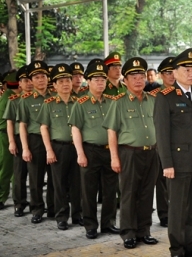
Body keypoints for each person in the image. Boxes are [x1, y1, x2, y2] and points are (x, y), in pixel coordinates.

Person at [154, 48, 192, 257]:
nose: (191, 73)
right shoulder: (166, 97)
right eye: (186, 69)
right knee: (178, 208)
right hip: (178, 163)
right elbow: (162, 134)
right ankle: (177, 249)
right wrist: (167, 164)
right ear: (175, 72)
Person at [102, 57, 159, 249]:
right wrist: (114, 157)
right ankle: (128, 233)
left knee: (146, 193)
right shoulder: (118, 102)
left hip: (151, 153)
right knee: (128, 194)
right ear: (125, 80)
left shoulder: (153, 100)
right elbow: (111, 131)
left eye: (141, 75)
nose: (138, 80)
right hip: (129, 153)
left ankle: (144, 231)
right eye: (133, 76)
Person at [68, 61, 120, 239]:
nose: (100, 83)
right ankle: (90, 225)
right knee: (89, 190)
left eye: (103, 79)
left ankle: (108, 223)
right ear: (88, 81)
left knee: (110, 190)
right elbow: (75, 129)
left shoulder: (113, 102)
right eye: (96, 79)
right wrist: (80, 153)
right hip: (90, 151)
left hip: (110, 151)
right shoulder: (81, 103)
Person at [37, 63, 82, 230]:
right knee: (59, 184)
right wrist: (49, 150)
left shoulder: (79, 102)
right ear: (54, 85)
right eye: (61, 81)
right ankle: (62, 216)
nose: (65, 84)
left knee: (78, 183)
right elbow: (43, 127)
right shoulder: (48, 104)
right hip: (58, 148)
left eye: (68, 80)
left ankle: (78, 215)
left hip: (77, 148)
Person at [17, 60, 55, 224]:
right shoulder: (25, 100)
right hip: (35, 140)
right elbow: (23, 126)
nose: (41, 80)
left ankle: (54, 208)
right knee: (36, 178)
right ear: (31, 81)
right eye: (37, 77)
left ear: (48, 79)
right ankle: (37, 209)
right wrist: (25, 148)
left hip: (54, 140)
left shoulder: (55, 97)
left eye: (43, 76)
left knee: (55, 177)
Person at [2, 66, 32, 216]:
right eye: (25, 81)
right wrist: (12, 142)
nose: (29, 84)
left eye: (30, 80)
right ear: (19, 83)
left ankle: (36, 203)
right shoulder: (14, 101)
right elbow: (10, 123)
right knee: (19, 174)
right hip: (19, 140)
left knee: (36, 174)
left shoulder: (41, 100)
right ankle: (19, 204)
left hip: (36, 140)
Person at [151, 56, 176, 228]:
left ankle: (177, 212)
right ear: (161, 75)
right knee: (162, 181)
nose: (171, 76)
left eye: (173, 72)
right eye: (167, 73)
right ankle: (164, 214)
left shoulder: (182, 92)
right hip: (160, 144)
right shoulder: (154, 95)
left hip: (180, 145)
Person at [0, 70, 17, 210]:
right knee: (6, 168)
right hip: (5, 135)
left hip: (5, 135)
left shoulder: (7, 96)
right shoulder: (11, 98)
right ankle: (1, 197)